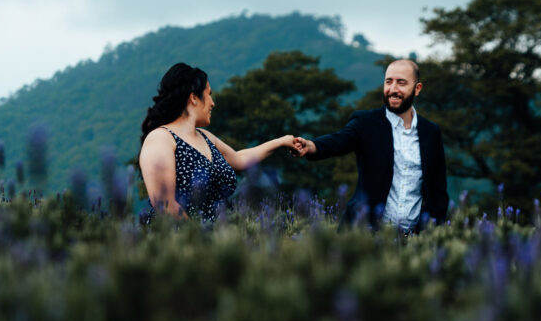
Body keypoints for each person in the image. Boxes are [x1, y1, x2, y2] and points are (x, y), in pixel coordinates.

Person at [293, 59, 449, 231]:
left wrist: (429, 231)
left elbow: (438, 191)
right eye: (388, 82)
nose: (393, 89)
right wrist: (310, 146)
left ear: (417, 88)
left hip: (413, 242)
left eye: (401, 83)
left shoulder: (431, 132)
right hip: (365, 236)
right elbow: (338, 140)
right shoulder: (366, 122)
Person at [139, 63, 297, 221]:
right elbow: (165, 205)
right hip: (181, 241)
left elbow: (240, 159)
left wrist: (281, 142)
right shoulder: (160, 138)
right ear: (194, 97)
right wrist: (199, 239)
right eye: (209, 94)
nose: (212, 103)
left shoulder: (206, 137)